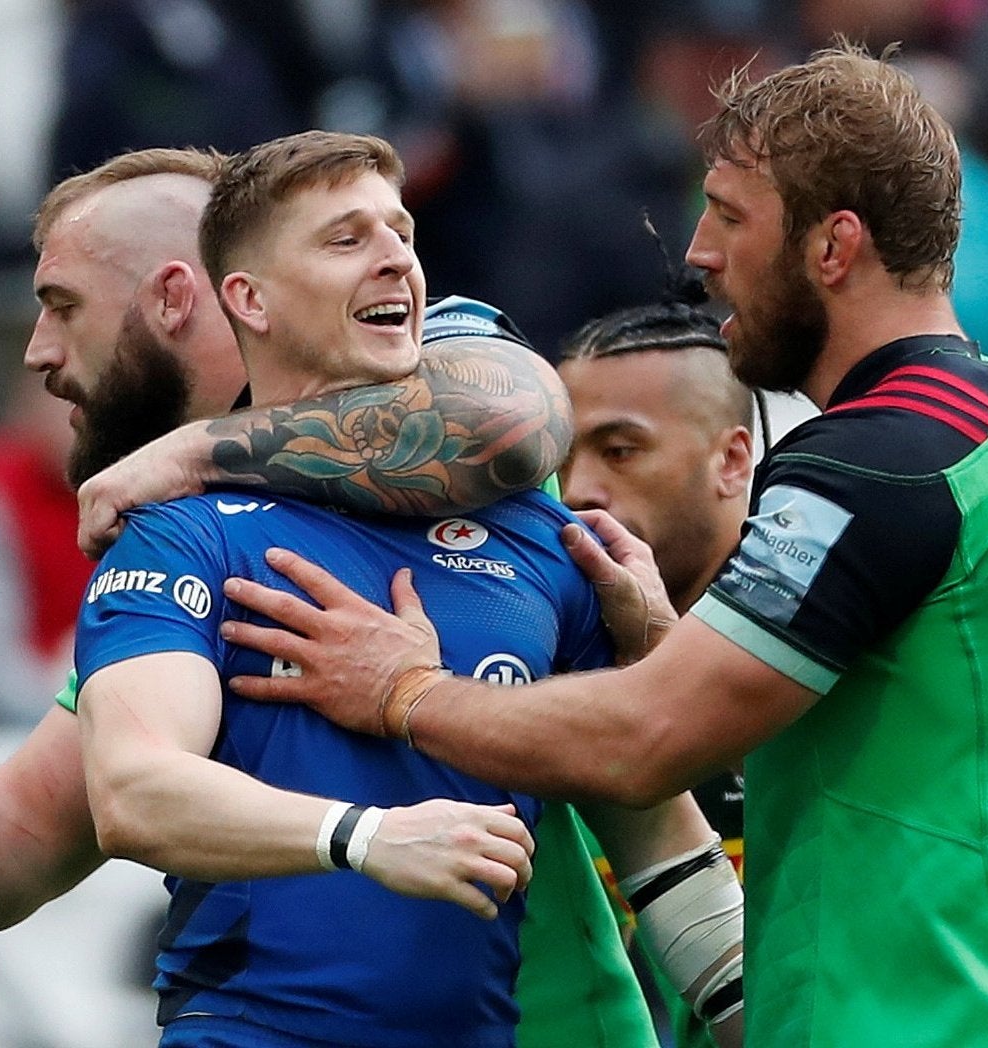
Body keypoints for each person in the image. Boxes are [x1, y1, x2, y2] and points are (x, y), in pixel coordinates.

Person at [205, 44, 988, 1045]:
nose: (698, 253)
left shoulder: (875, 462)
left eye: (731, 217)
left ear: (832, 248)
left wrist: (403, 689)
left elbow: (641, 739)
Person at [0, 143, 738, 1047]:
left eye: (63, 305)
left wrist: (193, 450)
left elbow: (508, 415)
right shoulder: (182, 540)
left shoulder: (458, 404)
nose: (38, 351)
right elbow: (41, 816)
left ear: (184, 298)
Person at [69, 129, 736, 1048]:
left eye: (402, 232)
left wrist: (772, 1022)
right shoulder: (182, 533)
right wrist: (366, 838)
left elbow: (661, 842)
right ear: (247, 299)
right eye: (347, 239)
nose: (394, 258)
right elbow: (134, 792)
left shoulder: (539, 537)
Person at [557, 270, 755, 1048]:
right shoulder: (542, 657)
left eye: (620, 449)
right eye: (562, 453)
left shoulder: (830, 653)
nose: (578, 489)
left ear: (731, 461)